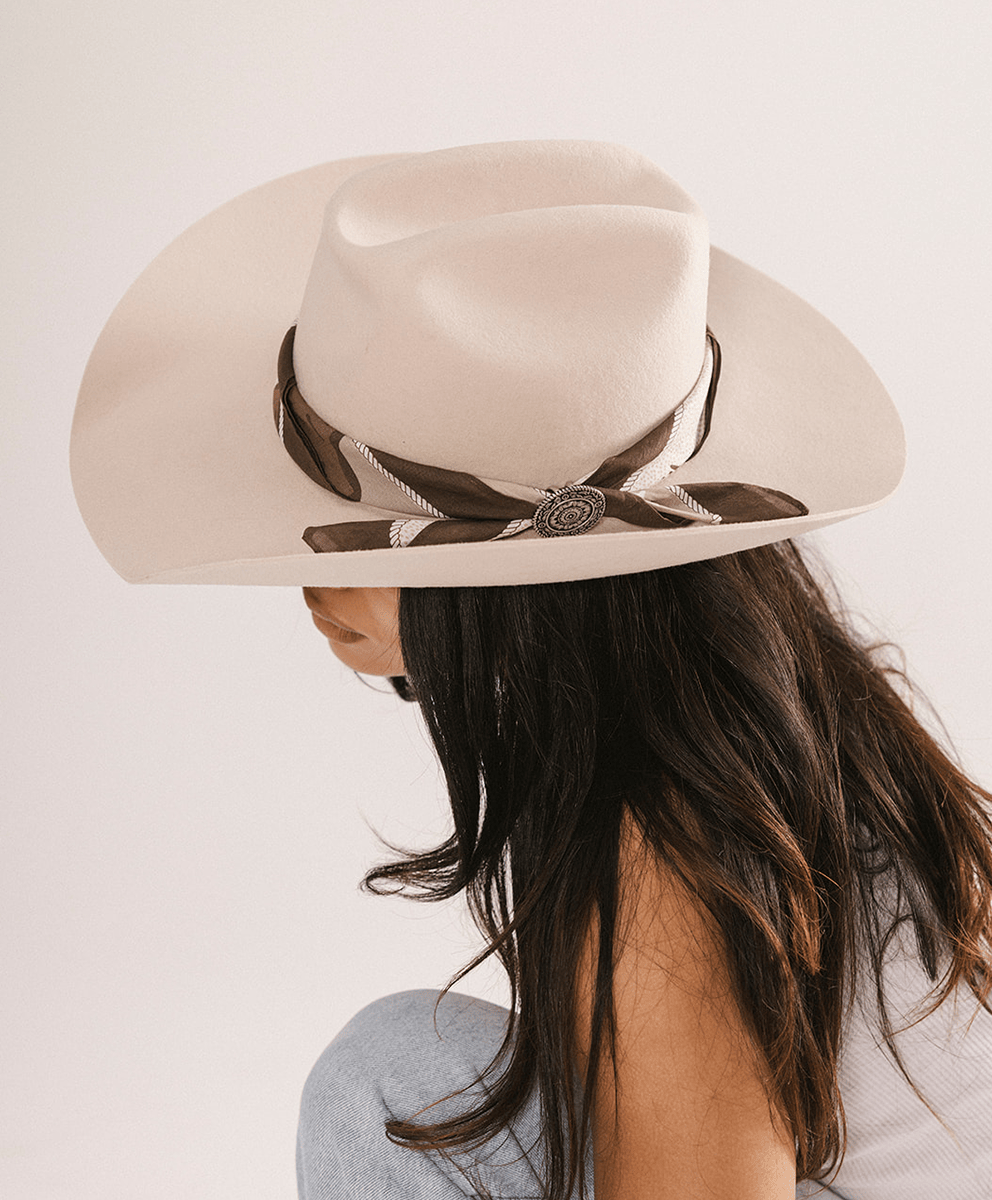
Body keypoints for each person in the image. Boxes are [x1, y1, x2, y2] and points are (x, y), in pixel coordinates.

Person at [71, 140, 992, 1199]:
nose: (306, 584)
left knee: (385, 1086)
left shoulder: (667, 836)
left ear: (492, 598)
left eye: (343, 536)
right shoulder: (772, 725)